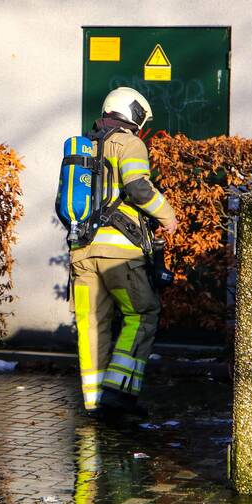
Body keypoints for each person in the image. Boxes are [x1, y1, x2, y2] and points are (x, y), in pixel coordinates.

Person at [69, 87, 177, 417]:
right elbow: (138, 188)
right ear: (132, 113)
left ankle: (94, 402)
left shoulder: (84, 146)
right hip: (120, 253)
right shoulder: (129, 143)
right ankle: (119, 393)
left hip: (81, 251)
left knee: (92, 324)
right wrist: (167, 216)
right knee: (142, 314)